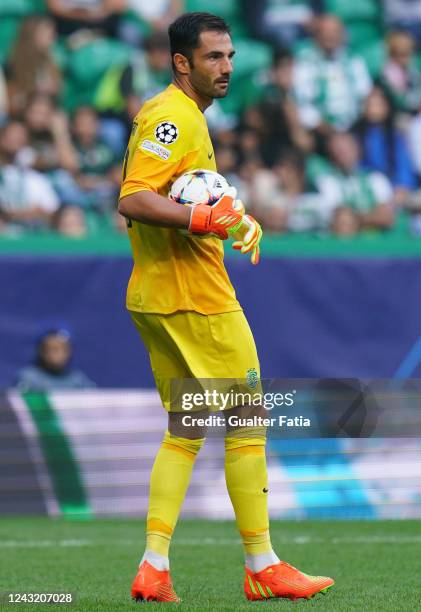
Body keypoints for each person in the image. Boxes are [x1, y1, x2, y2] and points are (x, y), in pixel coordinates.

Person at [118, 11, 333, 603]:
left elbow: (181, 195)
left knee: (185, 429)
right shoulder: (172, 116)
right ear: (181, 62)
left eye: (231, 56)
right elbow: (134, 199)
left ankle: (153, 566)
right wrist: (201, 218)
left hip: (157, 295)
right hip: (197, 300)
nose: (228, 67)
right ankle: (262, 564)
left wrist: (232, 220)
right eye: (214, 57)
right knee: (247, 423)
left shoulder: (184, 118)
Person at [293, 14, 371, 135]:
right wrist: (320, 125)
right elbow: (302, 101)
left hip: (355, 128)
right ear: (316, 35)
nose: (330, 36)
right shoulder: (304, 62)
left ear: (343, 34)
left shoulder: (354, 60)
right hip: (319, 131)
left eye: (335, 31)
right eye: (325, 32)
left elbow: (365, 94)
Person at [311, 132, 395, 236]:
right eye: (338, 150)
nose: (342, 154)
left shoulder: (376, 179)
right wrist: (369, 218)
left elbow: (386, 218)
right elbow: (341, 221)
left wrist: (355, 219)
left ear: (357, 149)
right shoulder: (327, 181)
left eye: (346, 149)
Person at [16, 327, 95, 391]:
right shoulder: (28, 378)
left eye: (63, 349)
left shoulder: (78, 380)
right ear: (41, 351)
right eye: (52, 349)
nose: (57, 354)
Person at [380, 31, 421, 114]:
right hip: (398, 116)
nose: (407, 58)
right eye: (402, 54)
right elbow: (401, 101)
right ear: (393, 54)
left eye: (409, 53)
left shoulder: (412, 70)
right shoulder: (389, 73)